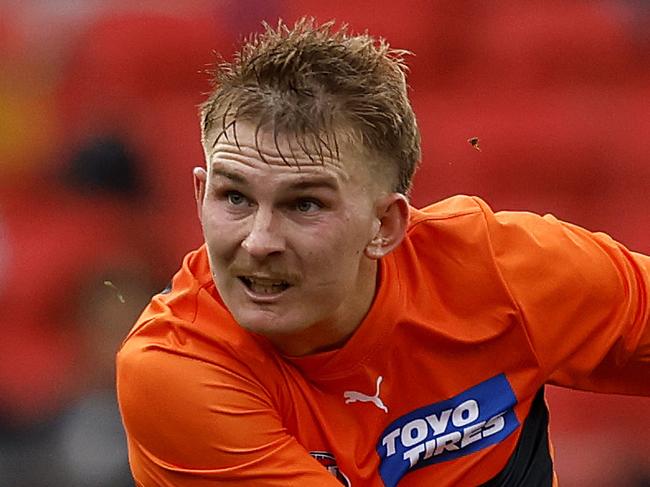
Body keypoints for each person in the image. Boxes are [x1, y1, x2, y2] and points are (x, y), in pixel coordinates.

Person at [116, 18, 650, 486]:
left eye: (303, 205)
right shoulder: (175, 370)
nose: (258, 241)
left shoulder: (504, 271)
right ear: (199, 195)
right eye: (234, 197)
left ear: (386, 225)